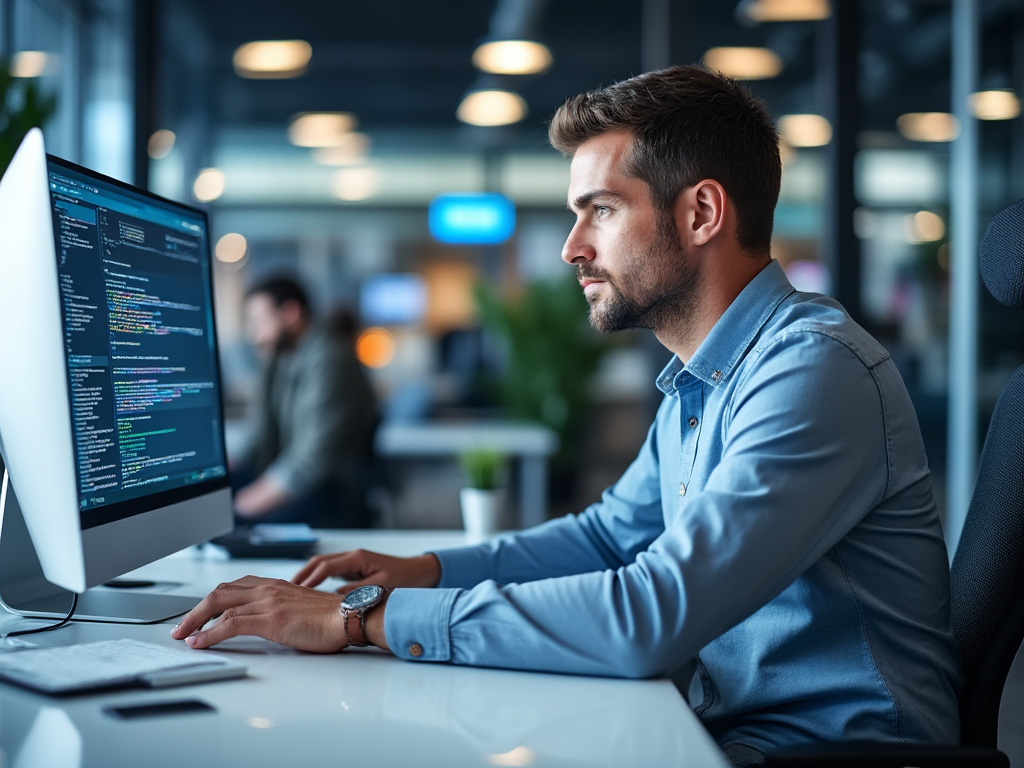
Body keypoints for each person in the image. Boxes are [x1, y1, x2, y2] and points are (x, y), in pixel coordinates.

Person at [173, 66, 961, 763]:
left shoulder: (811, 371)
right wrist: (423, 572)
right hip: (723, 731)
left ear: (701, 213)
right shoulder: (705, 379)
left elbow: (651, 612)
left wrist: (362, 616)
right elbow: (607, 538)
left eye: (601, 210)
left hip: (826, 754)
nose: (571, 247)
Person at [232, 276, 379, 528]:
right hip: (301, 479)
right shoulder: (283, 356)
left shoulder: (330, 359)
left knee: (232, 520)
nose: (253, 334)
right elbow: (258, 436)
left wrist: (247, 503)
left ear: (290, 313)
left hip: (331, 494)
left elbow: (315, 458)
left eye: (258, 322)